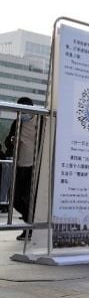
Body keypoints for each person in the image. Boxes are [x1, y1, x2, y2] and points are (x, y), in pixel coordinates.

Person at [4, 97, 37, 240]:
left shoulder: (41, 122)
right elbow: (8, 142)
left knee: (30, 199)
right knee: (14, 198)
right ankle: (31, 223)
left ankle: (30, 228)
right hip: (19, 165)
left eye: (24, 110)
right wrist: (12, 141)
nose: (21, 113)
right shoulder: (17, 122)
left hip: (34, 167)